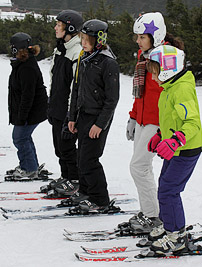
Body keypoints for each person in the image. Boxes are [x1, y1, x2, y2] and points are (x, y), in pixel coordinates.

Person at [125, 12, 184, 234]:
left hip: (157, 122)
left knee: (138, 167)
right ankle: (149, 212)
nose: (138, 41)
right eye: (137, 37)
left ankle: (153, 216)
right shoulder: (144, 55)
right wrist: (133, 116)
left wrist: (164, 127)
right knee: (142, 167)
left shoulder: (166, 57)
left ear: (155, 35)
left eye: (142, 37)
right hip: (142, 119)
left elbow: (169, 94)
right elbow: (141, 94)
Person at [145, 45, 202, 254]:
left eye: (154, 73)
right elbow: (173, 120)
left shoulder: (181, 89)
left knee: (169, 191)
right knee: (165, 188)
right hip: (176, 148)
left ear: (168, 69)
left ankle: (176, 235)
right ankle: (170, 226)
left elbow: (192, 123)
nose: (152, 79)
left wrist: (175, 140)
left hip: (186, 150)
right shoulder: (169, 89)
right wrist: (161, 135)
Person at [66, 19, 120, 213]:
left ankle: (100, 199)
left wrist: (100, 124)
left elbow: (112, 100)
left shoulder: (108, 63)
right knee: (82, 157)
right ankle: (86, 191)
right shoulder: (84, 58)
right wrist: (72, 117)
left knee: (90, 159)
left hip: (98, 118)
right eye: (82, 38)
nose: (84, 42)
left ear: (99, 39)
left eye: (88, 39)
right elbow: (77, 88)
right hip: (83, 115)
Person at [45, 10, 83, 196]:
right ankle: (66, 176)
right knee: (59, 146)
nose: (55, 28)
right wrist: (51, 102)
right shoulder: (61, 49)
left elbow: (76, 86)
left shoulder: (77, 52)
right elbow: (54, 79)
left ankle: (75, 180)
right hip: (57, 107)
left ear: (69, 27)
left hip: (68, 110)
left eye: (58, 25)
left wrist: (71, 112)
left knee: (67, 147)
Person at [8, 32, 48, 178]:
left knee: (20, 137)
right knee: (24, 136)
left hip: (33, 110)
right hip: (30, 109)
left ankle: (29, 169)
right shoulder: (22, 64)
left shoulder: (27, 67)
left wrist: (22, 116)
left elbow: (28, 95)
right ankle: (30, 164)